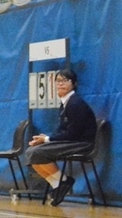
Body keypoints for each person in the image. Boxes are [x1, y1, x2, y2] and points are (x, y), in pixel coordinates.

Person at [25, 69, 96, 207]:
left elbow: (73, 134)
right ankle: (58, 184)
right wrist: (46, 138)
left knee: (37, 152)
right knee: (31, 151)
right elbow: (62, 130)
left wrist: (47, 140)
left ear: (74, 83)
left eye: (65, 81)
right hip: (71, 140)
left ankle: (62, 183)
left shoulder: (76, 104)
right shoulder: (65, 103)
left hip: (82, 143)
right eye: (58, 81)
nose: (61, 84)